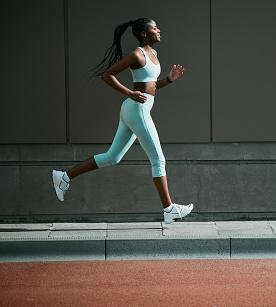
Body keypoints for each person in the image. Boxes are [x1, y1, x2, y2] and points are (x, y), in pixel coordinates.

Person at [51, 17, 193, 224]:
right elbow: (107, 75)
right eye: (154, 28)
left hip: (136, 109)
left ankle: (63, 177)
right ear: (144, 33)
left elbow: (149, 87)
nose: (159, 30)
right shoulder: (137, 54)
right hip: (137, 109)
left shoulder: (153, 53)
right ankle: (169, 209)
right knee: (158, 159)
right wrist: (129, 92)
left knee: (112, 157)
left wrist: (169, 80)